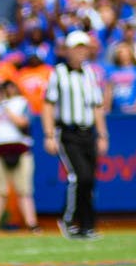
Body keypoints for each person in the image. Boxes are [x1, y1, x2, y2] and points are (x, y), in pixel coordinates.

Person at [41, 31, 108, 240]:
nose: (80, 52)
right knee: (79, 176)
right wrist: (49, 134)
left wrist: (103, 134)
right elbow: (48, 105)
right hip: (68, 132)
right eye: (76, 47)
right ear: (68, 50)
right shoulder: (58, 73)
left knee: (89, 180)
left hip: (88, 132)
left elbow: (97, 106)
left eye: (83, 47)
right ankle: (68, 220)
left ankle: (87, 225)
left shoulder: (90, 73)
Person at [0, 81, 40, 234]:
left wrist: (4, 106)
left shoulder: (21, 103)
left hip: (20, 149)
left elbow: (23, 122)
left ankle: (32, 224)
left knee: (24, 190)